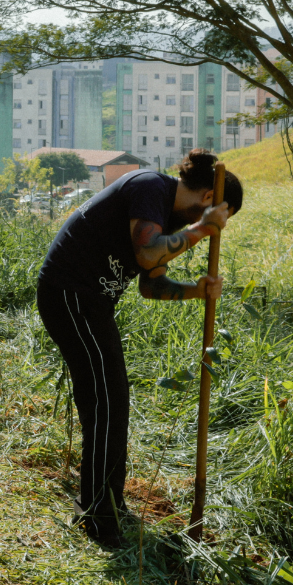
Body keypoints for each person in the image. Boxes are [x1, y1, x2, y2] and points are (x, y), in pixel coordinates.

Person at [36, 149, 244, 550]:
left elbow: (152, 285)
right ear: (209, 200)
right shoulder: (151, 187)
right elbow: (148, 251)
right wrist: (203, 229)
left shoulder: (166, 216)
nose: (218, 229)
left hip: (89, 302)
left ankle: (106, 503)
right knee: (107, 402)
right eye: (223, 220)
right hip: (71, 294)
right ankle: (98, 515)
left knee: (111, 400)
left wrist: (196, 292)